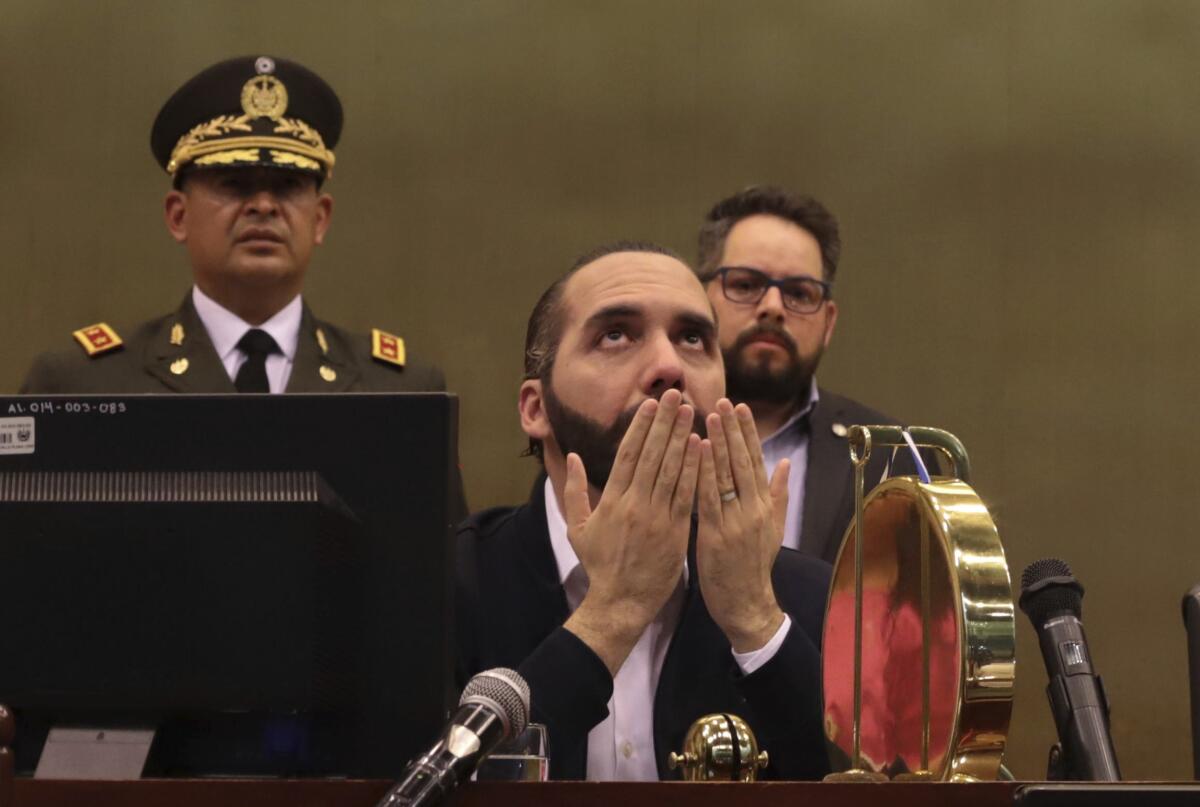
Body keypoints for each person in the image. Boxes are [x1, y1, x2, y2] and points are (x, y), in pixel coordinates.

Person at [456, 242, 830, 781]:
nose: (668, 367)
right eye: (615, 335)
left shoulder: (805, 599)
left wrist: (755, 620)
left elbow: (863, 786)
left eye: (694, 339)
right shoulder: (449, 586)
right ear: (536, 408)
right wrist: (613, 612)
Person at [20, 55, 443, 395]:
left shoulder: (399, 390)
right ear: (178, 215)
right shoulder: (82, 386)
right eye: (235, 184)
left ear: (320, 219)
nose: (263, 205)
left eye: (287, 186)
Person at [698, 186, 919, 563]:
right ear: (699, 298)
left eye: (799, 293)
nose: (772, 307)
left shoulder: (892, 457)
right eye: (746, 285)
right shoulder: (640, 430)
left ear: (828, 323)